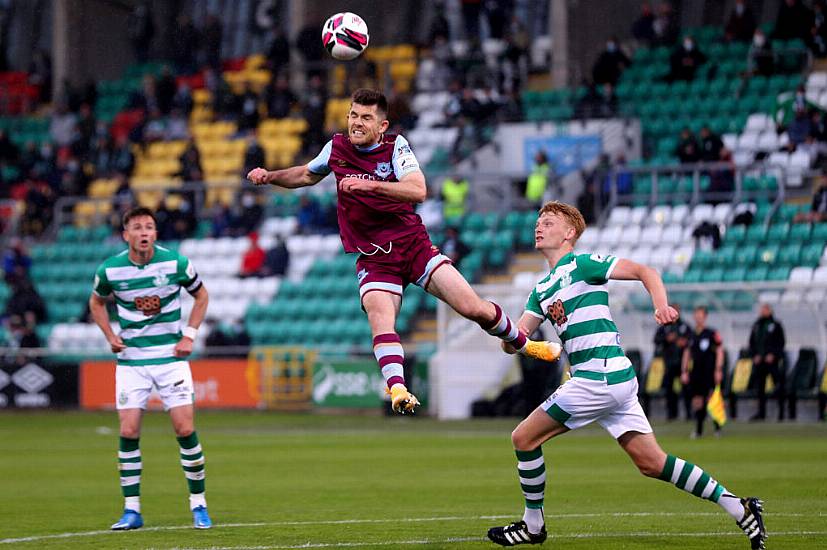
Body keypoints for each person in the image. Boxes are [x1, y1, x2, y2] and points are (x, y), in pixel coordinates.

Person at [247, 88, 560, 414]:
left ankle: (527, 345)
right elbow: (306, 174)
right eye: (353, 115)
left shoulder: (395, 146)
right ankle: (397, 389)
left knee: (473, 308)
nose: (356, 123)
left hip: (413, 245)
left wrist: (370, 184)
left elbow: (418, 189)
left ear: (381, 126)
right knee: (381, 319)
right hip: (373, 256)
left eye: (365, 118)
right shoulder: (336, 147)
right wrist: (270, 176)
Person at [485, 202, 766, 549]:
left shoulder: (582, 264)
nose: (539, 227)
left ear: (569, 233)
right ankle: (739, 507)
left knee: (523, 438)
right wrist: (514, 339)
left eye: (549, 222)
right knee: (651, 463)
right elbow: (517, 340)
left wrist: (660, 305)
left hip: (597, 378)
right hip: (611, 379)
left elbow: (646, 272)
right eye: (538, 222)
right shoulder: (541, 289)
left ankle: (533, 526)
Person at [88, 206, 212, 531]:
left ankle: (198, 504)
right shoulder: (110, 270)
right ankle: (132, 510)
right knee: (128, 431)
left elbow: (201, 297)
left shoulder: (176, 263)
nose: (144, 232)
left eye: (150, 227)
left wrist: (189, 335)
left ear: (155, 233)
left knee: (185, 430)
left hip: (171, 359)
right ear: (125, 234)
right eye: (138, 227)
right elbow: (96, 301)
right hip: (132, 362)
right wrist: (110, 335)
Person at [682, 306, 725, 439]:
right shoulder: (691, 334)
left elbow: (719, 351)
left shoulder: (711, 333)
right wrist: (684, 371)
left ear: (705, 316)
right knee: (697, 400)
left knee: (712, 399)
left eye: (700, 315)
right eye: (696, 315)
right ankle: (699, 430)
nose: (698, 317)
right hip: (696, 372)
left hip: (709, 371)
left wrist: (718, 369)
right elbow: (687, 353)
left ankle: (717, 429)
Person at [748, 303, 786, 421]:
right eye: (761, 309)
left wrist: (773, 355)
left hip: (772, 362)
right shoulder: (757, 325)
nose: (762, 311)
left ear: (770, 311)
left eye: (765, 309)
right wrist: (754, 355)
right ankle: (761, 413)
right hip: (760, 362)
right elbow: (751, 342)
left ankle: (781, 413)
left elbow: (781, 342)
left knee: (778, 385)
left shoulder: (776, 325)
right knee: (760, 388)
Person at [654, 303, 691, 420]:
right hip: (669, 363)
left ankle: (689, 414)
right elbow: (656, 340)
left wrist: (684, 342)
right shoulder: (665, 326)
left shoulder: (684, 326)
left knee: (686, 389)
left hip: (682, 364)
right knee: (669, 390)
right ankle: (671, 414)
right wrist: (666, 339)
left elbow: (691, 340)